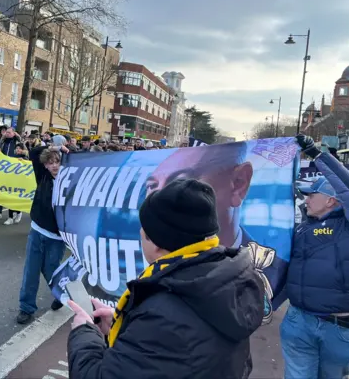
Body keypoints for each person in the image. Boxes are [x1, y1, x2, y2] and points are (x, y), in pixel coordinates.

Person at [67, 179, 265, 379]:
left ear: (156, 244)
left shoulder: (161, 312)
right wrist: (124, 324)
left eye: (143, 234)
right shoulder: (228, 275)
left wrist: (84, 333)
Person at [280, 135, 349, 379]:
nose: (306, 198)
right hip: (298, 321)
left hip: (337, 329)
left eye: (312, 194)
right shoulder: (302, 228)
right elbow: (284, 269)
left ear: (332, 200)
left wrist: (317, 154)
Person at [17, 135, 69, 325]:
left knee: (51, 270)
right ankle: (26, 308)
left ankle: (61, 294)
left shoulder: (71, 181)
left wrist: (67, 152)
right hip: (38, 230)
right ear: (45, 165)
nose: (54, 166)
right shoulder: (43, 175)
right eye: (50, 162)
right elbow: (35, 152)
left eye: (57, 162)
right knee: (31, 270)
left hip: (57, 236)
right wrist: (54, 146)